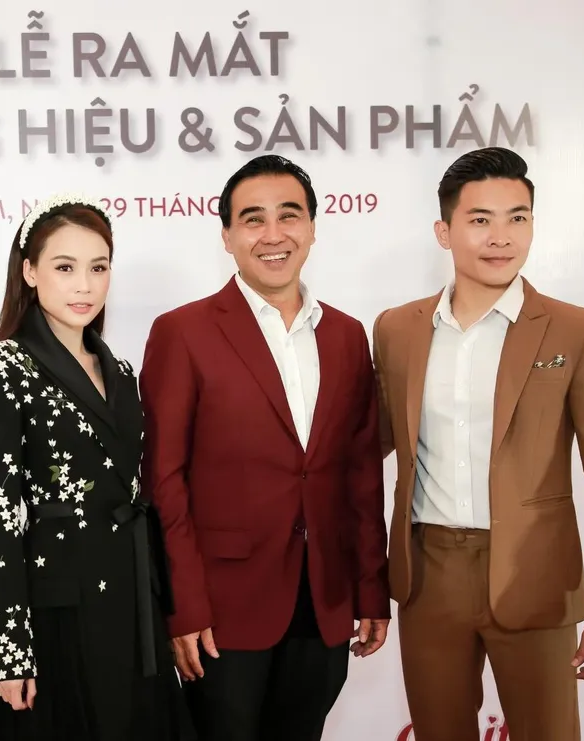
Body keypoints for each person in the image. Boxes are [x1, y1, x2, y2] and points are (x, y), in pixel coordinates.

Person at [371, 147, 584, 741]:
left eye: (517, 218)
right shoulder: (397, 329)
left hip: (538, 577)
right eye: (480, 220)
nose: (501, 237)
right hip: (427, 578)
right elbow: (364, 446)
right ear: (444, 232)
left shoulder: (577, 329)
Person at [139, 155, 391, 741]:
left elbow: (360, 476)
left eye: (289, 215)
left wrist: (371, 588)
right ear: (227, 236)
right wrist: (183, 606)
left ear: (312, 228)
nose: (273, 234)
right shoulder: (183, 332)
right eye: (253, 219)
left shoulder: (347, 335)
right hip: (221, 609)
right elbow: (163, 482)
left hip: (324, 602)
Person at [0, 194, 188, 741]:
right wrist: (11, 648)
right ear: (30, 272)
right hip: (57, 602)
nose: (84, 285)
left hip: (131, 599)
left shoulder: (121, 370)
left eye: (98, 268)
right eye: (65, 268)